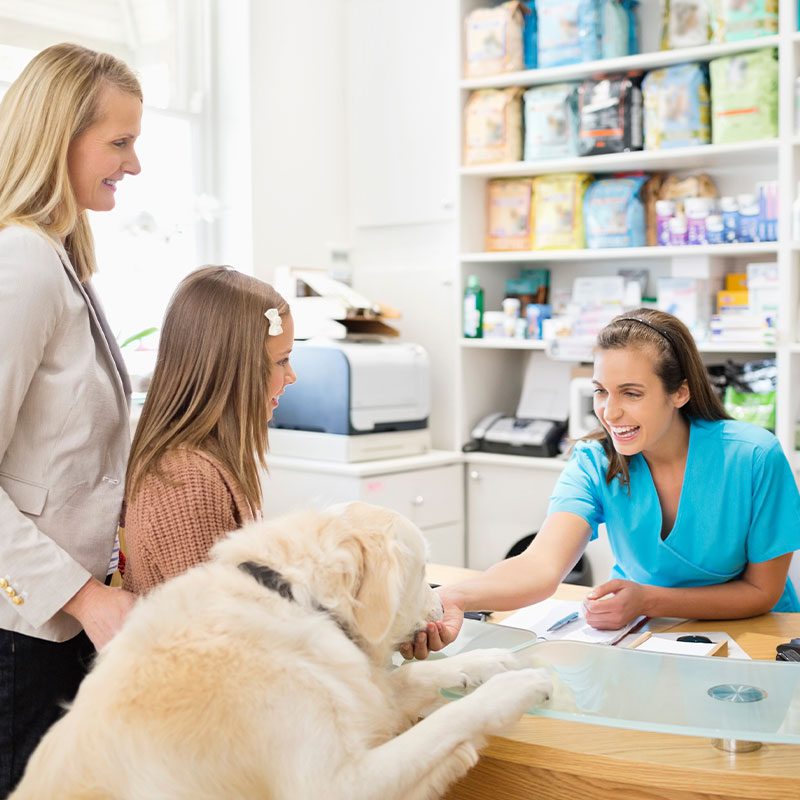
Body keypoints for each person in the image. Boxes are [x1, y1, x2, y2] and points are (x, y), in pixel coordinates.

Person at [404, 309, 800, 660]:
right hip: (648, 640)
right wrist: (447, 598)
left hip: (759, 640)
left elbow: (761, 591)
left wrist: (648, 599)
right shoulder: (595, 461)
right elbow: (541, 566)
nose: (610, 412)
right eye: (601, 391)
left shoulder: (753, 457)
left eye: (631, 393)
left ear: (679, 392)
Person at [0, 43, 142, 791]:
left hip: (60, 623)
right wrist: (87, 599)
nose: (134, 163)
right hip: (23, 630)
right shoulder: (20, 264)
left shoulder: (59, 259)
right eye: (120, 141)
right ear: (60, 137)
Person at [122, 266, 296, 594]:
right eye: (282, 361)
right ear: (235, 368)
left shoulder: (206, 464)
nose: (291, 376)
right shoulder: (187, 481)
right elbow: (219, 627)